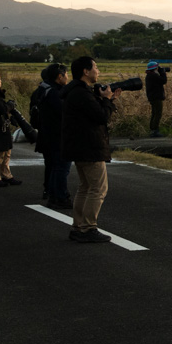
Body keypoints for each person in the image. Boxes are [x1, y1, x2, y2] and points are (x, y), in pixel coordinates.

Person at [61, 56, 118, 244]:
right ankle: (88, 228)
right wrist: (108, 100)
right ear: (86, 71)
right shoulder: (82, 93)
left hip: (79, 146)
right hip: (89, 146)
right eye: (95, 67)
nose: (98, 71)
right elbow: (101, 117)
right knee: (98, 188)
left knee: (85, 187)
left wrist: (105, 100)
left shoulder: (75, 91)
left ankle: (78, 227)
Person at [29, 63, 73, 209]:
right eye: (66, 74)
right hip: (56, 135)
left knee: (52, 165)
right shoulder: (54, 92)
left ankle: (51, 192)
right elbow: (64, 113)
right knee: (61, 167)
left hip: (45, 134)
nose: (67, 77)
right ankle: (60, 196)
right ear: (59, 76)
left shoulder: (41, 90)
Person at [145, 61, 170, 135]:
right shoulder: (153, 76)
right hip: (156, 97)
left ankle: (152, 129)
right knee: (158, 113)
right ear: (155, 68)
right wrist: (163, 72)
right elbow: (163, 81)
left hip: (152, 97)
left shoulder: (149, 75)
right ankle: (155, 130)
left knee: (154, 113)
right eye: (157, 67)